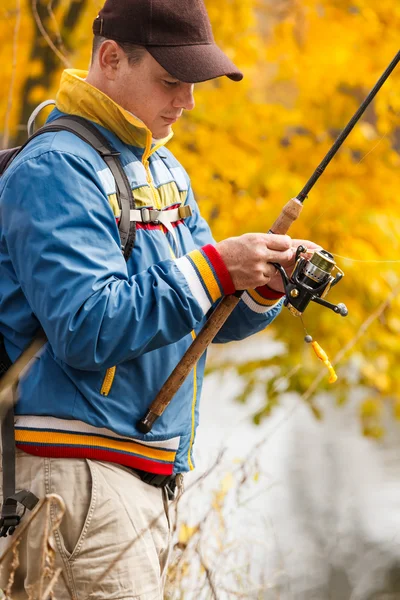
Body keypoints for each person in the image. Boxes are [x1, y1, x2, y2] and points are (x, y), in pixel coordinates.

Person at [0, 0, 317, 597]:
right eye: (171, 81)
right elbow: (89, 328)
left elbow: (205, 320)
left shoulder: (164, 168)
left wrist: (259, 286)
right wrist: (216, 267)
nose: (188, 101)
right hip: (77, 478)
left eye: (193, 84)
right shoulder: (56, 169)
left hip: (141, 475)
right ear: (111, 58)